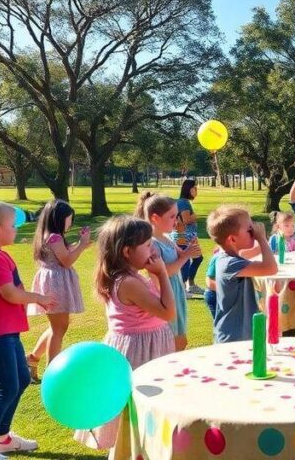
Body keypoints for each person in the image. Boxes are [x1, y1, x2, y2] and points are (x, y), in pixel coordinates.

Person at [76, 215, 175, 450]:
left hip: (145, 343)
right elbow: (168, 312)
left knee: (145, 405)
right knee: (138, 406)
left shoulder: (130, 277)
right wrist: (161, 273)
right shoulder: (128, 283)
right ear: (128, 252)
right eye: (148, 244)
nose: (153, 249)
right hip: (139, 351)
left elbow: (159, 298)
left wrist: (154, 275)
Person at [0, 201, 54, 460]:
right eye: (12, 225)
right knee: (6, 388)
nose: (16, 229)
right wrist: (38, 297)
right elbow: (10, 293)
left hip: (5, 332)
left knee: (22, 379)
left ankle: (2, 439)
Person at [24, 200, 92, 384]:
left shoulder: (49, 235)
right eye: (69, 219)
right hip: (56, 284)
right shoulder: (54, 236)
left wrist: (81, 245)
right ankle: (52, 373)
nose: (70, 223)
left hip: (54, 281)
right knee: (58, 329)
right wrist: (82, 244)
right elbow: (67, 261)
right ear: (59, 219)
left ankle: (32, 359)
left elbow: (63, 255)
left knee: (58, 326)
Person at [136, 192, 198, 351]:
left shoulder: (168, 237)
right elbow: (163, 271)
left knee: (181, 339)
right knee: (172, 341)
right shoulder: (152, 243)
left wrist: (189, 248)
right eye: (172, 217)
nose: (176, 220)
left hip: (176, 291)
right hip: (166, 293)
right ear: (155, 218)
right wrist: (186, 257)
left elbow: (181, 255)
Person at [209, 205, 278, 343]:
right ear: (232, 239)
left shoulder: (231, 258)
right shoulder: (229, 263)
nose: (253, 232)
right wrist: (262, 239)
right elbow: (270, 268)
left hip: (239, 332)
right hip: (234, 335)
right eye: (249, 230)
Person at [174, 179, 205, 299]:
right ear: (189, 189)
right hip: (183, 237)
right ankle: (182, 288)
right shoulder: (183, 203)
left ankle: (190, 285)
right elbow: (186, 220)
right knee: (185, 261)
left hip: (189, 237)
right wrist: (195, 216)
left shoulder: (185, 202)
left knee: (198, 258)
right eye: (195, 188)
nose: (196, 191)